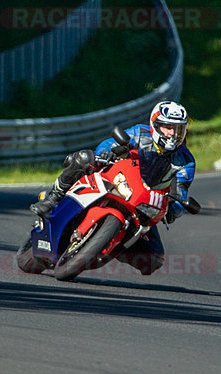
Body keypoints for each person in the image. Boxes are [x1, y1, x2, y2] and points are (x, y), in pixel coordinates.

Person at [29, 100, 196, 275]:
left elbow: (181, 191)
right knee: (84, 157)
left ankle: (111, 245)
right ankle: (54, 197)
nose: (172, 133)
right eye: (167, 127)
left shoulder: (185, 160)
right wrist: (105, 153)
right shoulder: (140, 132)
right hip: (120, 181)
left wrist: (175, 209)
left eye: (177, 129)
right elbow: (109, 143)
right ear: (155, 124)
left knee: (154, 259)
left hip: (144, 204)